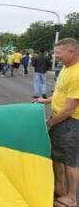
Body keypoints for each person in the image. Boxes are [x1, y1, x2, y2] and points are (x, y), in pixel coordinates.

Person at [32, 38, 79, 207]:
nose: (55, 56)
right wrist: (46, 100)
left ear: (71, 52)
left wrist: (50, 123)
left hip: (69, 122)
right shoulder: (66, 69)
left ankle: (72, 197)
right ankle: (60, 188)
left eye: (59, 53)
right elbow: (61, 94)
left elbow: (69, 109)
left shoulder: (77, 73)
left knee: (69, 161)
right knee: (56, 156)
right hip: (60, 120)